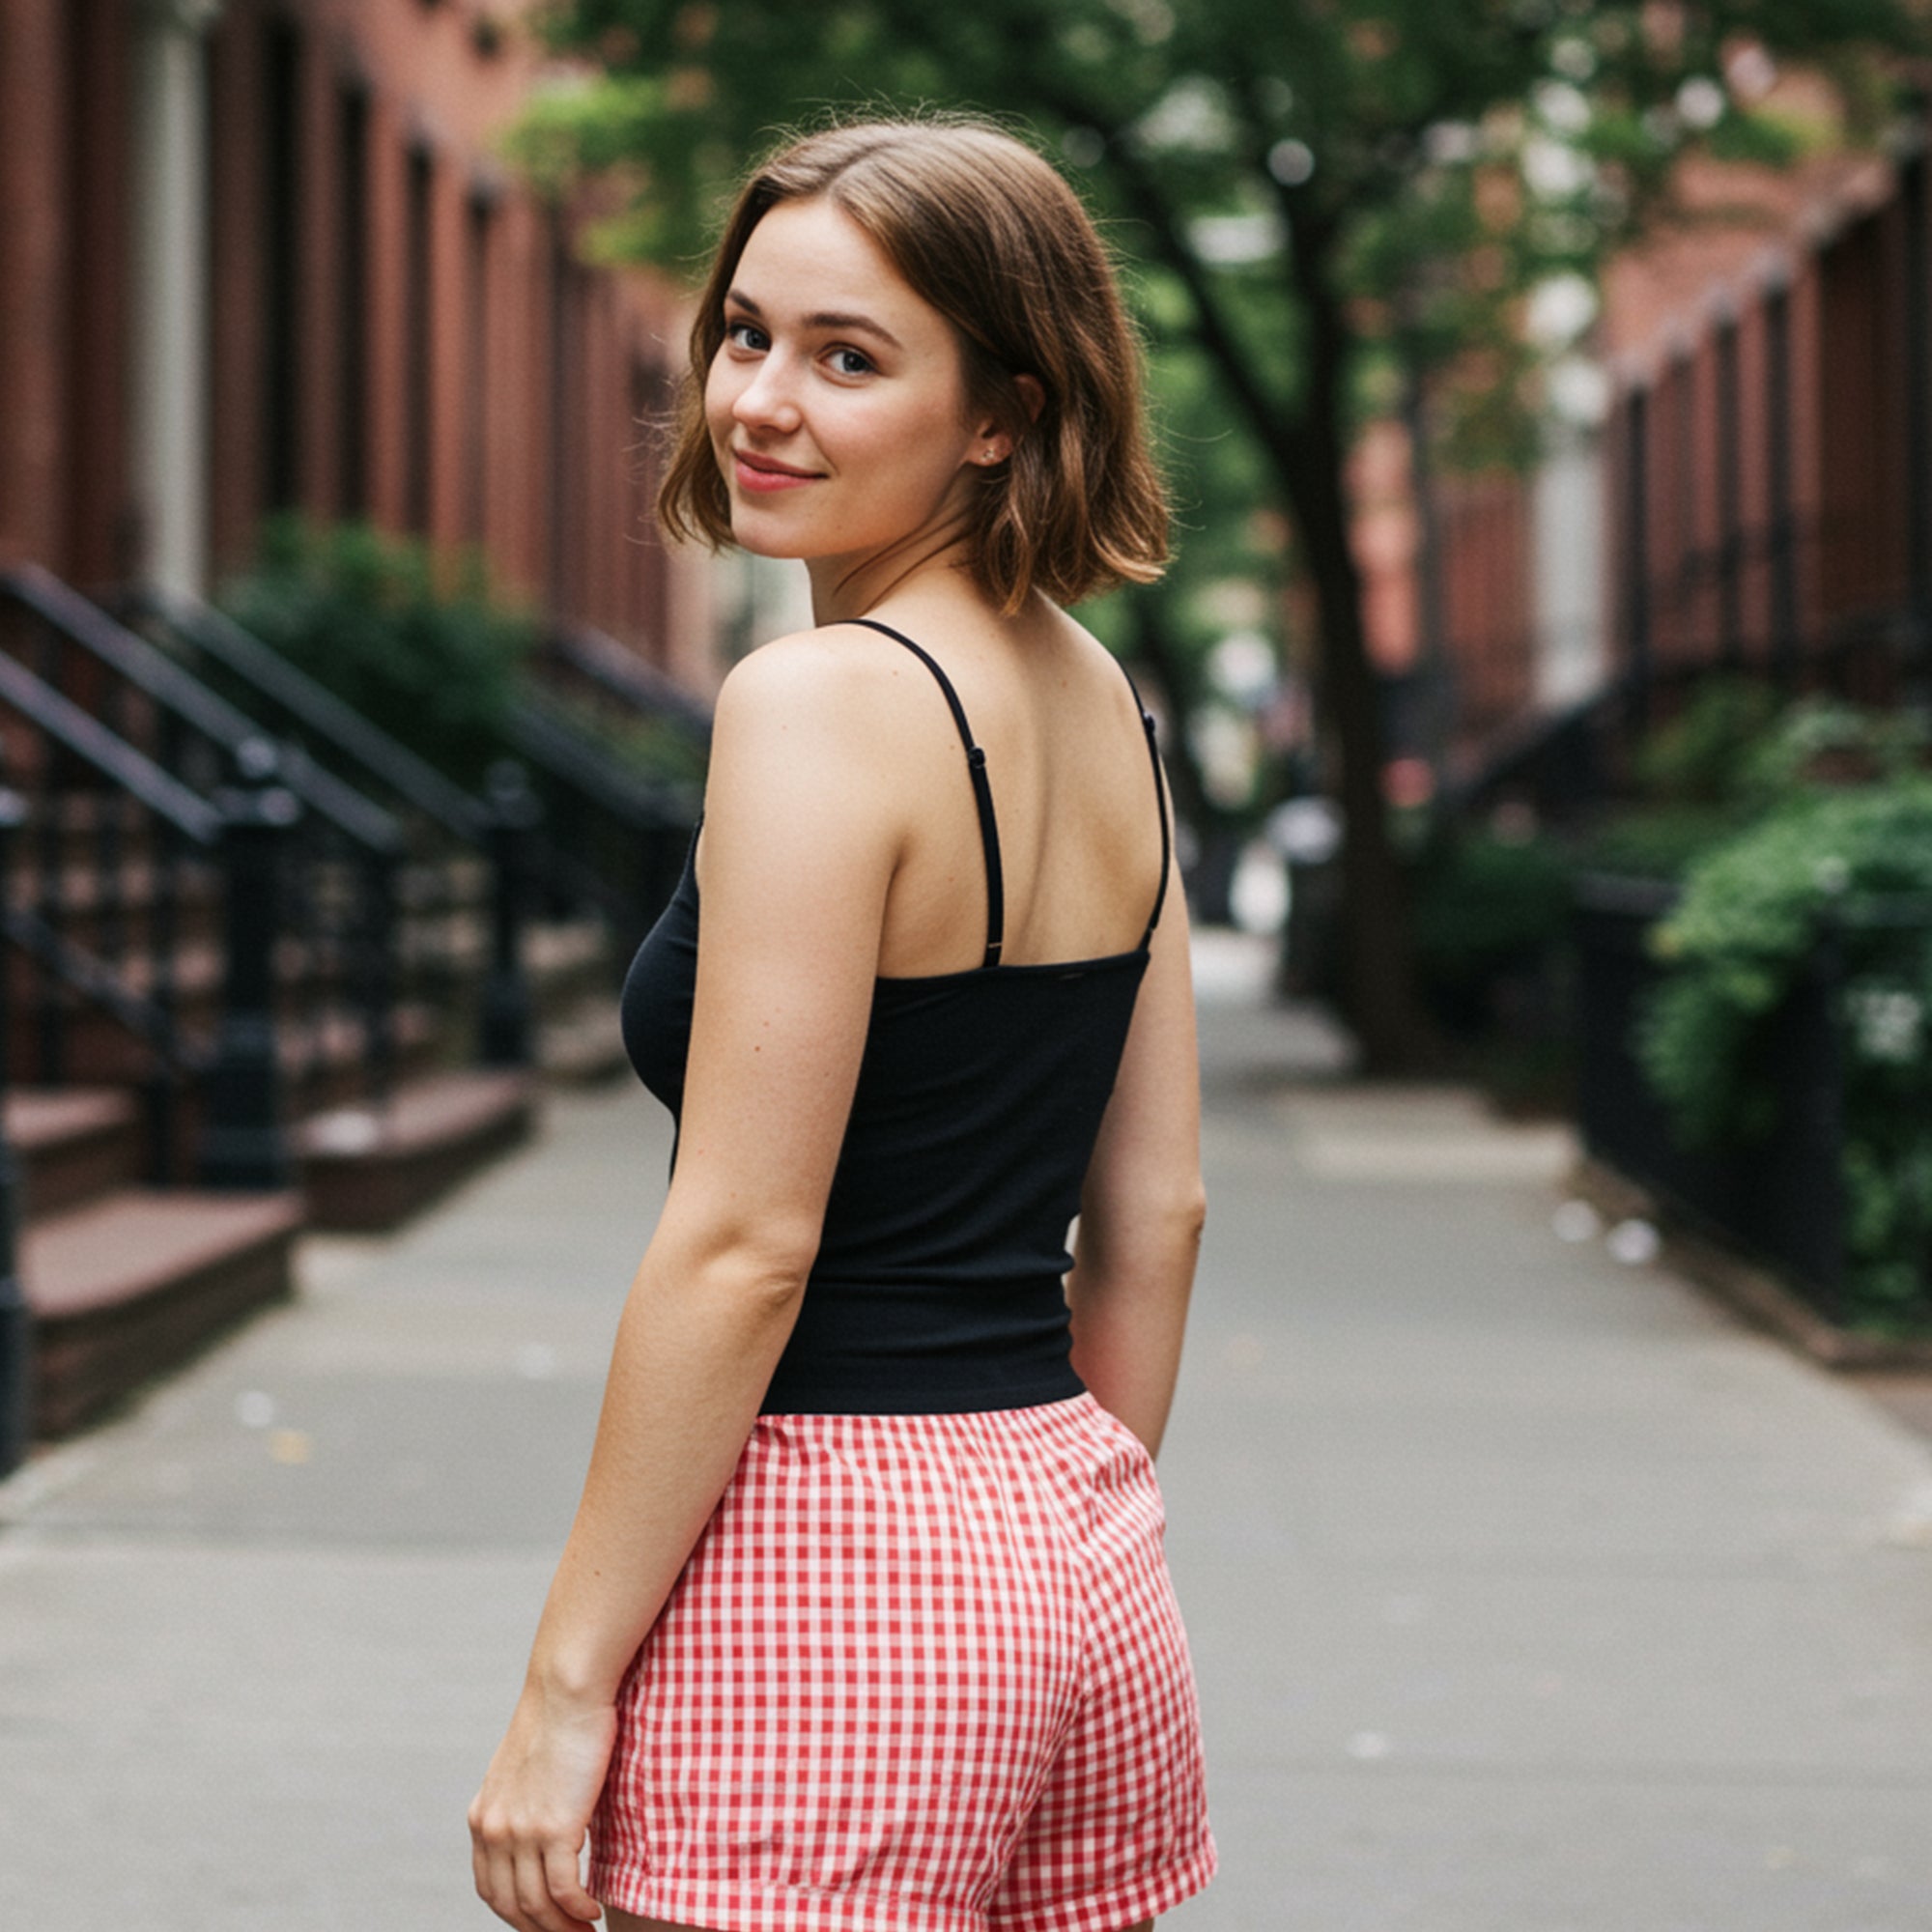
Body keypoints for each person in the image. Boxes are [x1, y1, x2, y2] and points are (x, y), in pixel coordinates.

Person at [469, 115, 1214, 1932]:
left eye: (848, 357)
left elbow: (740, 1243)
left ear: (1003, 414)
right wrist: (1034, 1565)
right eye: (745, 334)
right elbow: (1160, 1209)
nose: (760, 403)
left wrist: (566, 1688)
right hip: (1076, 1543)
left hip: (826, 1562)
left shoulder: (816, 703)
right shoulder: (1100, 697)